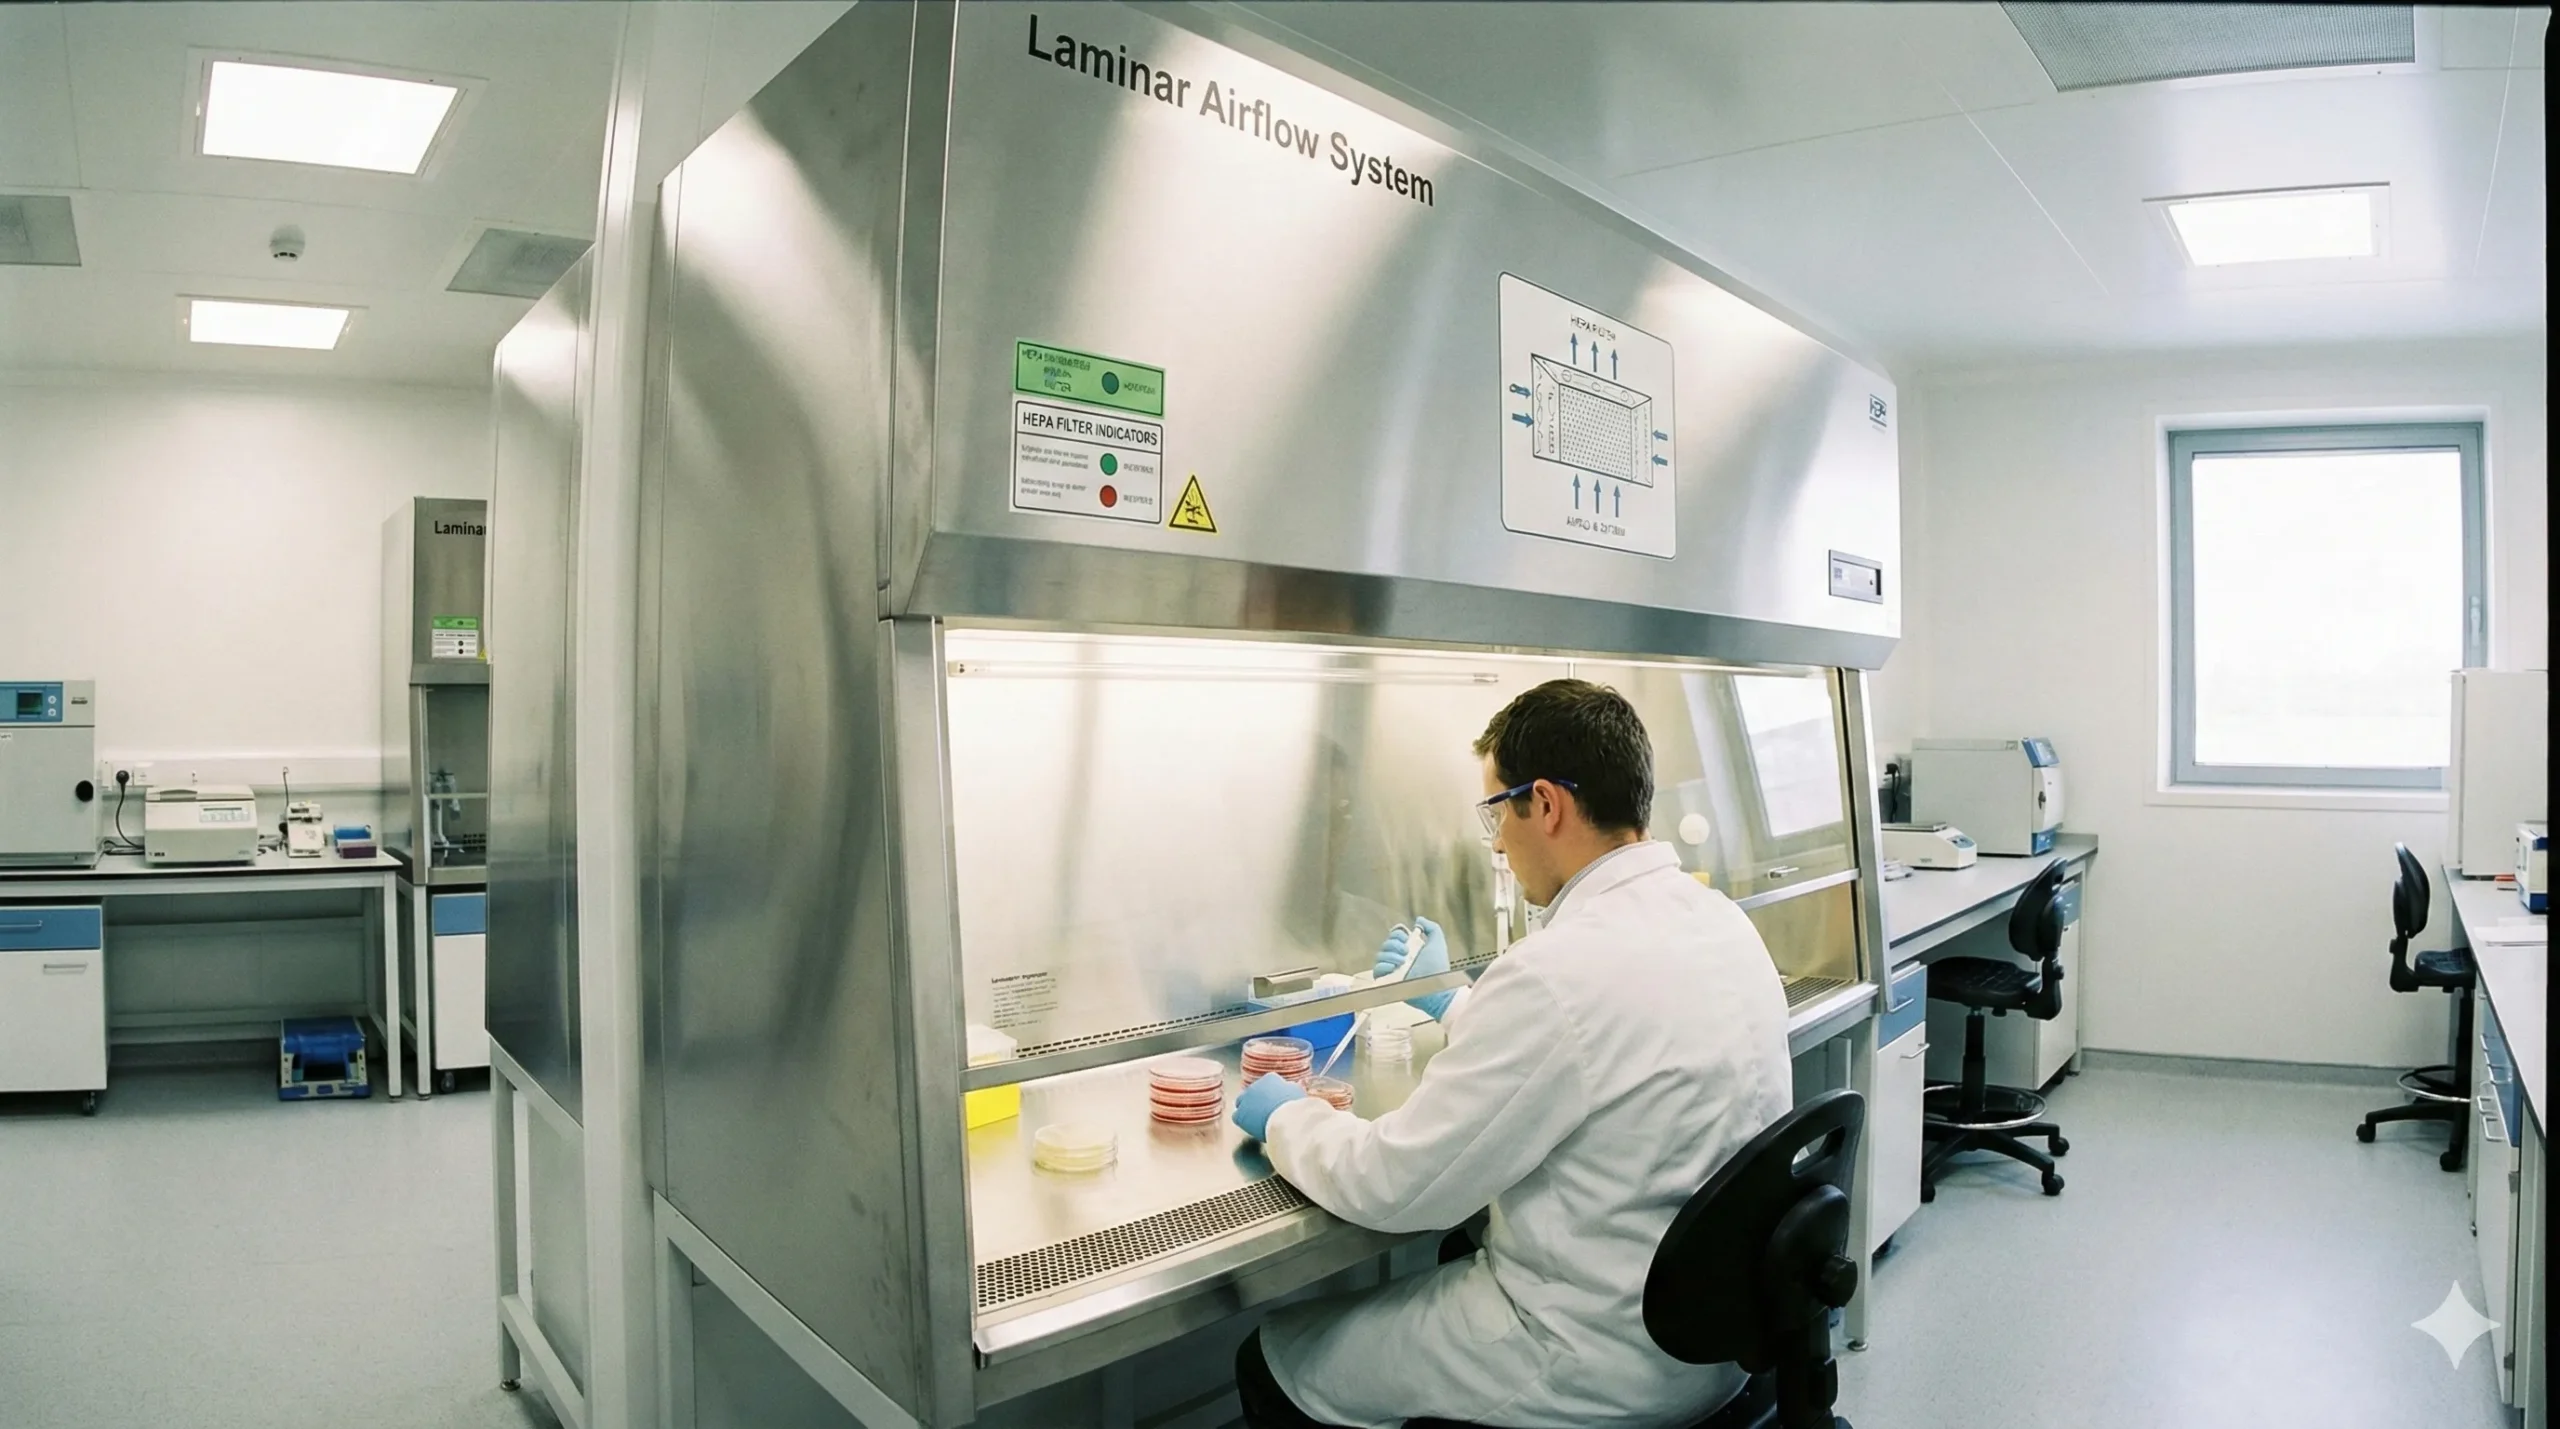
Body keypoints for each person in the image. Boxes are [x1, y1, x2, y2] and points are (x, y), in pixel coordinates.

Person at [1229, 678, 1792, 1429]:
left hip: (1590, 1355)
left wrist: (1286, 1118)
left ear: (1548, 805)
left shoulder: (1558, 968)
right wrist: (1455, 998)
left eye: (1498, 810)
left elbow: (1393, 1185)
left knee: (1275, 1358)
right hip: (1715, 1340)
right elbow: (1583, 1056)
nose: (1495, 839)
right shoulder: (1717, 919)